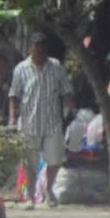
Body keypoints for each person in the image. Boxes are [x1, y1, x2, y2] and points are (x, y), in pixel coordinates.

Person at [11, 37, 67, 206]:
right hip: (29, 121)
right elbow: (14, 95)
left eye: (43, 47)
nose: (40, 51)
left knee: (55, 159)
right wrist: (12, 117)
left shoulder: (55, 66)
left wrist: (73, 111)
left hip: (52, 121)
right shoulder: (21, 69)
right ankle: (30, 196)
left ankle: (49, 190)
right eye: (36, 47)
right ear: (30, 48)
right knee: (29, 161)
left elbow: (66, 91)